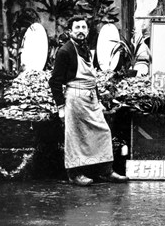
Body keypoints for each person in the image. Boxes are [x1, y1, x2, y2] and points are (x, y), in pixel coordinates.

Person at [49, 15, 128, 186]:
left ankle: (105, 171)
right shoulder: (65, 51)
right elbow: (54, 81)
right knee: (75, 137)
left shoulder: (86, 50)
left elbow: (92, 79)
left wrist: (98, 100)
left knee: (103, 132)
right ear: (70, 31)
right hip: (75, 98)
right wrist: (61, 106)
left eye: (83, 28)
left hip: (91, 97)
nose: (81, 31)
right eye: (77, 28)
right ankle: (75, 174)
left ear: (87, 30)